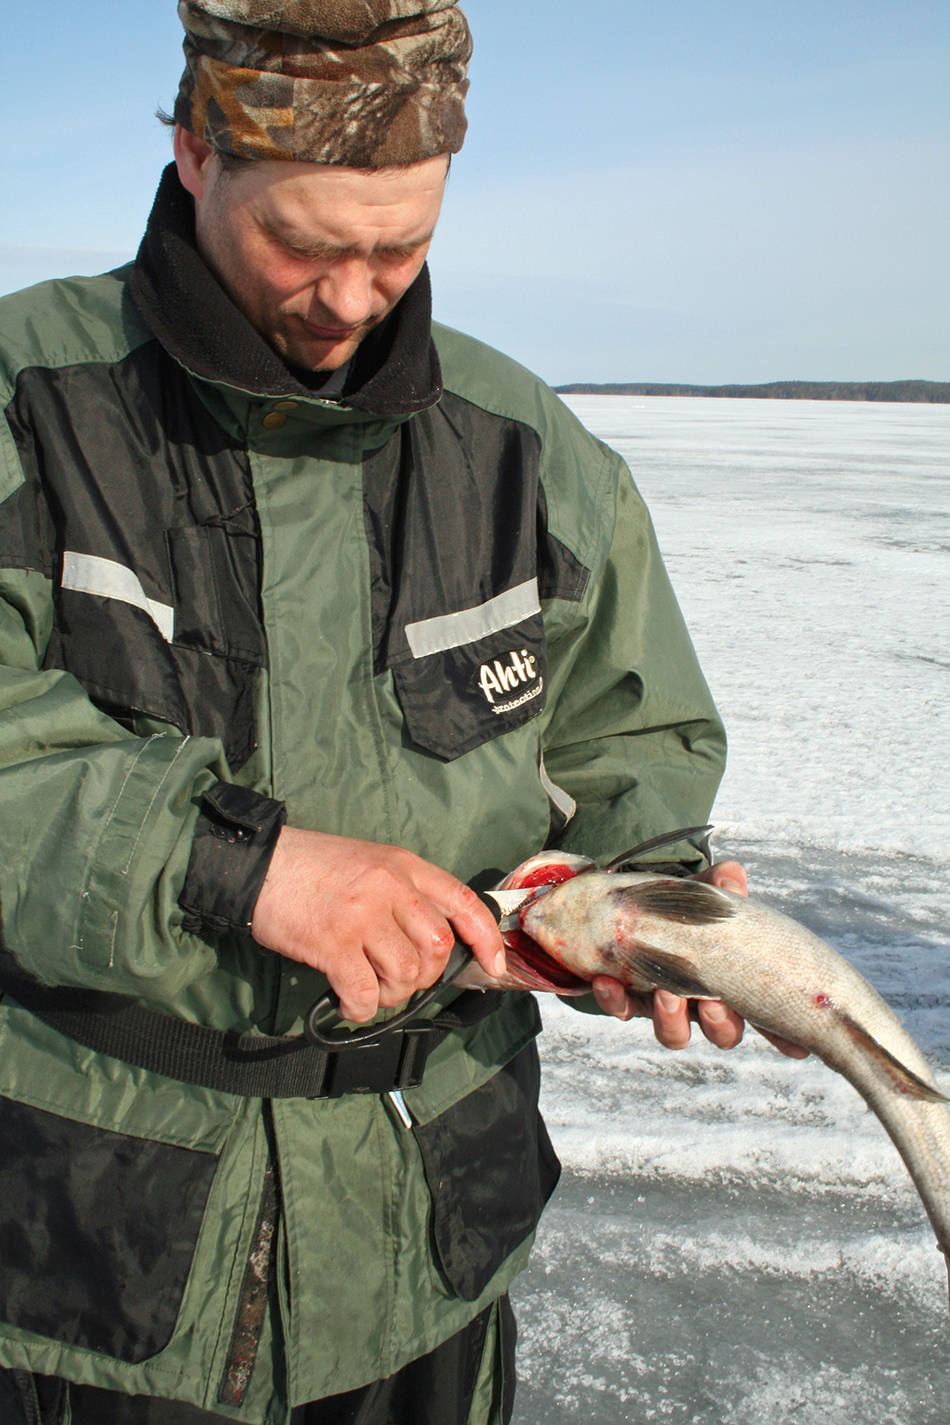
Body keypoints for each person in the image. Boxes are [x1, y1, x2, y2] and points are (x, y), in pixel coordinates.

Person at [0, 3, 803, 1421]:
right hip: (89, 1258)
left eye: (402, 247)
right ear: (196, 154)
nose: (352, 296)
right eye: (303, 246)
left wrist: (652, 897)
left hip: (426, 1240)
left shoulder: (523, 448)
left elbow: (627, 744)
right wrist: (233, 863)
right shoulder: (31, 399)